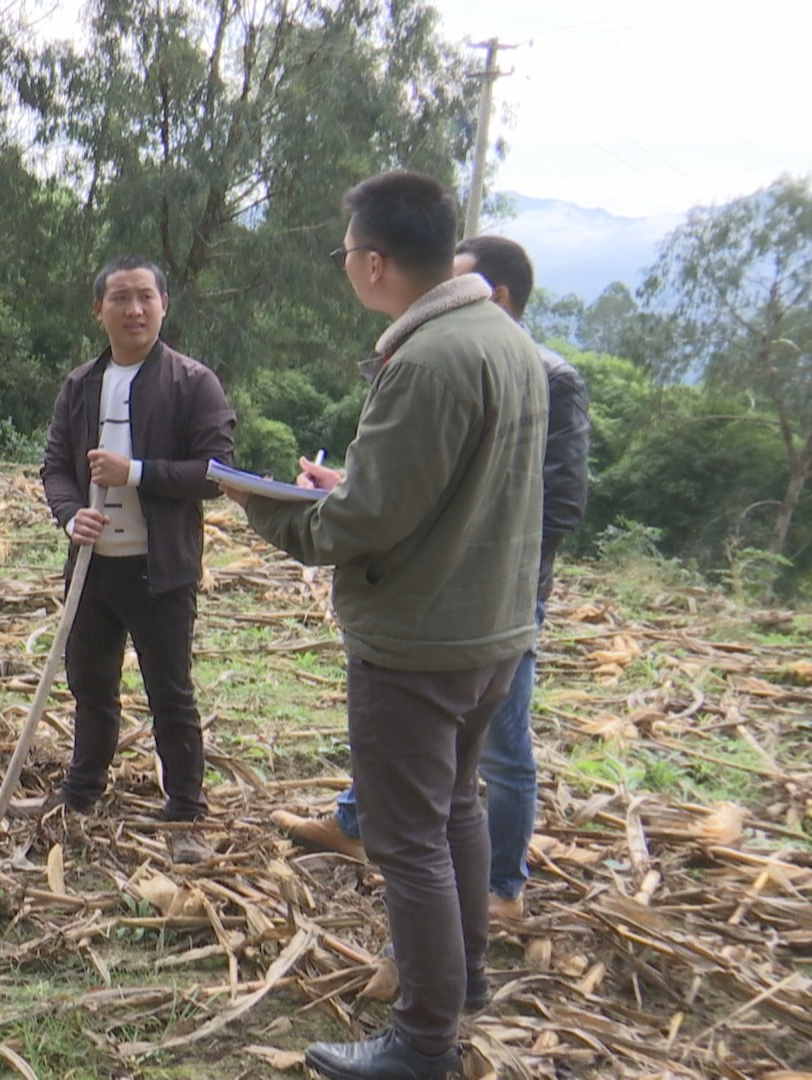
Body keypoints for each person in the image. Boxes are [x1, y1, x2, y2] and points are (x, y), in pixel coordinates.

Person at [228, 171, 546, 1080]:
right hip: (490, 632)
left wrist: (267, 506)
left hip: (419, 641)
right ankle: (467, 977)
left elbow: (362, 527)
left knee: (407, 841)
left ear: (371, 262)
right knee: (455, 810)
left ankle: (424, 1043)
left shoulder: (429, 358)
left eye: (345, 255)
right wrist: (351, 489)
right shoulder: (503, 338)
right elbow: (434, 485)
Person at [276, 234, 591, 923]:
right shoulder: (464, 354)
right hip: (439, 599)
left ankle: (500, 888)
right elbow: (424, 482)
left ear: (496, 295)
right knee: (408, 750)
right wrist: (352, 484)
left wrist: (290, 517)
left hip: (485, 601)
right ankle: (356, 826)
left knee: (494, 756)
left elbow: (553, 503)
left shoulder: (536, 373)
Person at [35, 255, 237, 865]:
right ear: (99, 309)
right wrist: (72, 516)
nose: (134, 310)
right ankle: (82, 790)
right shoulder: (81, 385)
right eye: (120, 298)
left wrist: (137, 472)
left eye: (145, 297)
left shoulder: (192, 382)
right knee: (90, 685)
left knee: (170, 692)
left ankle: (186, 810)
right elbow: (54, 468)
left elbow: (215, 472)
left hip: (161, 568)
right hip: (94, 568)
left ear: (164, 304)